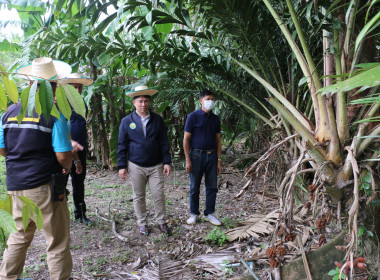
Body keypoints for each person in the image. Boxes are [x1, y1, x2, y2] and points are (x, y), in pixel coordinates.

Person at [0, 57, 73, 280]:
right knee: (57, 242)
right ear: (52, 88)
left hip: (16, 187)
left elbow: (3, 149)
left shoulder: (8, 113)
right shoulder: (55, 115)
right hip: (45, 188)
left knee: (18, 236)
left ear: (30, 84)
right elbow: (63, 156)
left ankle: (8, 277)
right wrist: (67, 166)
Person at [117, 85, 172, 236]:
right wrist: (122, 166)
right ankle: (142, 223)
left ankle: (161, 221)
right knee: (139, 196)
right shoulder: (127, 121)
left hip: (156, 165)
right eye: (140, 101)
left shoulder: (157, 120)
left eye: (146, 101)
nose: (143, 104)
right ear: (134, 103)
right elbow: (122, 144)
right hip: (136, 165)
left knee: (158, 194)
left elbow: (163, 142)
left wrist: (167, 162)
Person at [183, 89, 222, 226]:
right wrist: (188, 159)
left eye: (212, 99)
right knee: (194, 186)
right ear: (201, 101)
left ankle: (209, 213)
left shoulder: (215, 119)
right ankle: (194, 213)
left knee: (212, 186)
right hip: (196, 155)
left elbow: (218, 140)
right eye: (208, 99)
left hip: (211, 156)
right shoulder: (193, 117)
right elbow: (186, 139)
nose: (210, 102)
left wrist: (219, 160)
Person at [59, 73, 94, 224]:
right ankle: (59, 216)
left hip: (80, 150)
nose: (78, 90)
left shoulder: (82, 104)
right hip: (64, 152)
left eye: (79, 87)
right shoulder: (60, 104)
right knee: (60, 183)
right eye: (74, 87)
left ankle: (80, 214)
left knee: (79, 183)